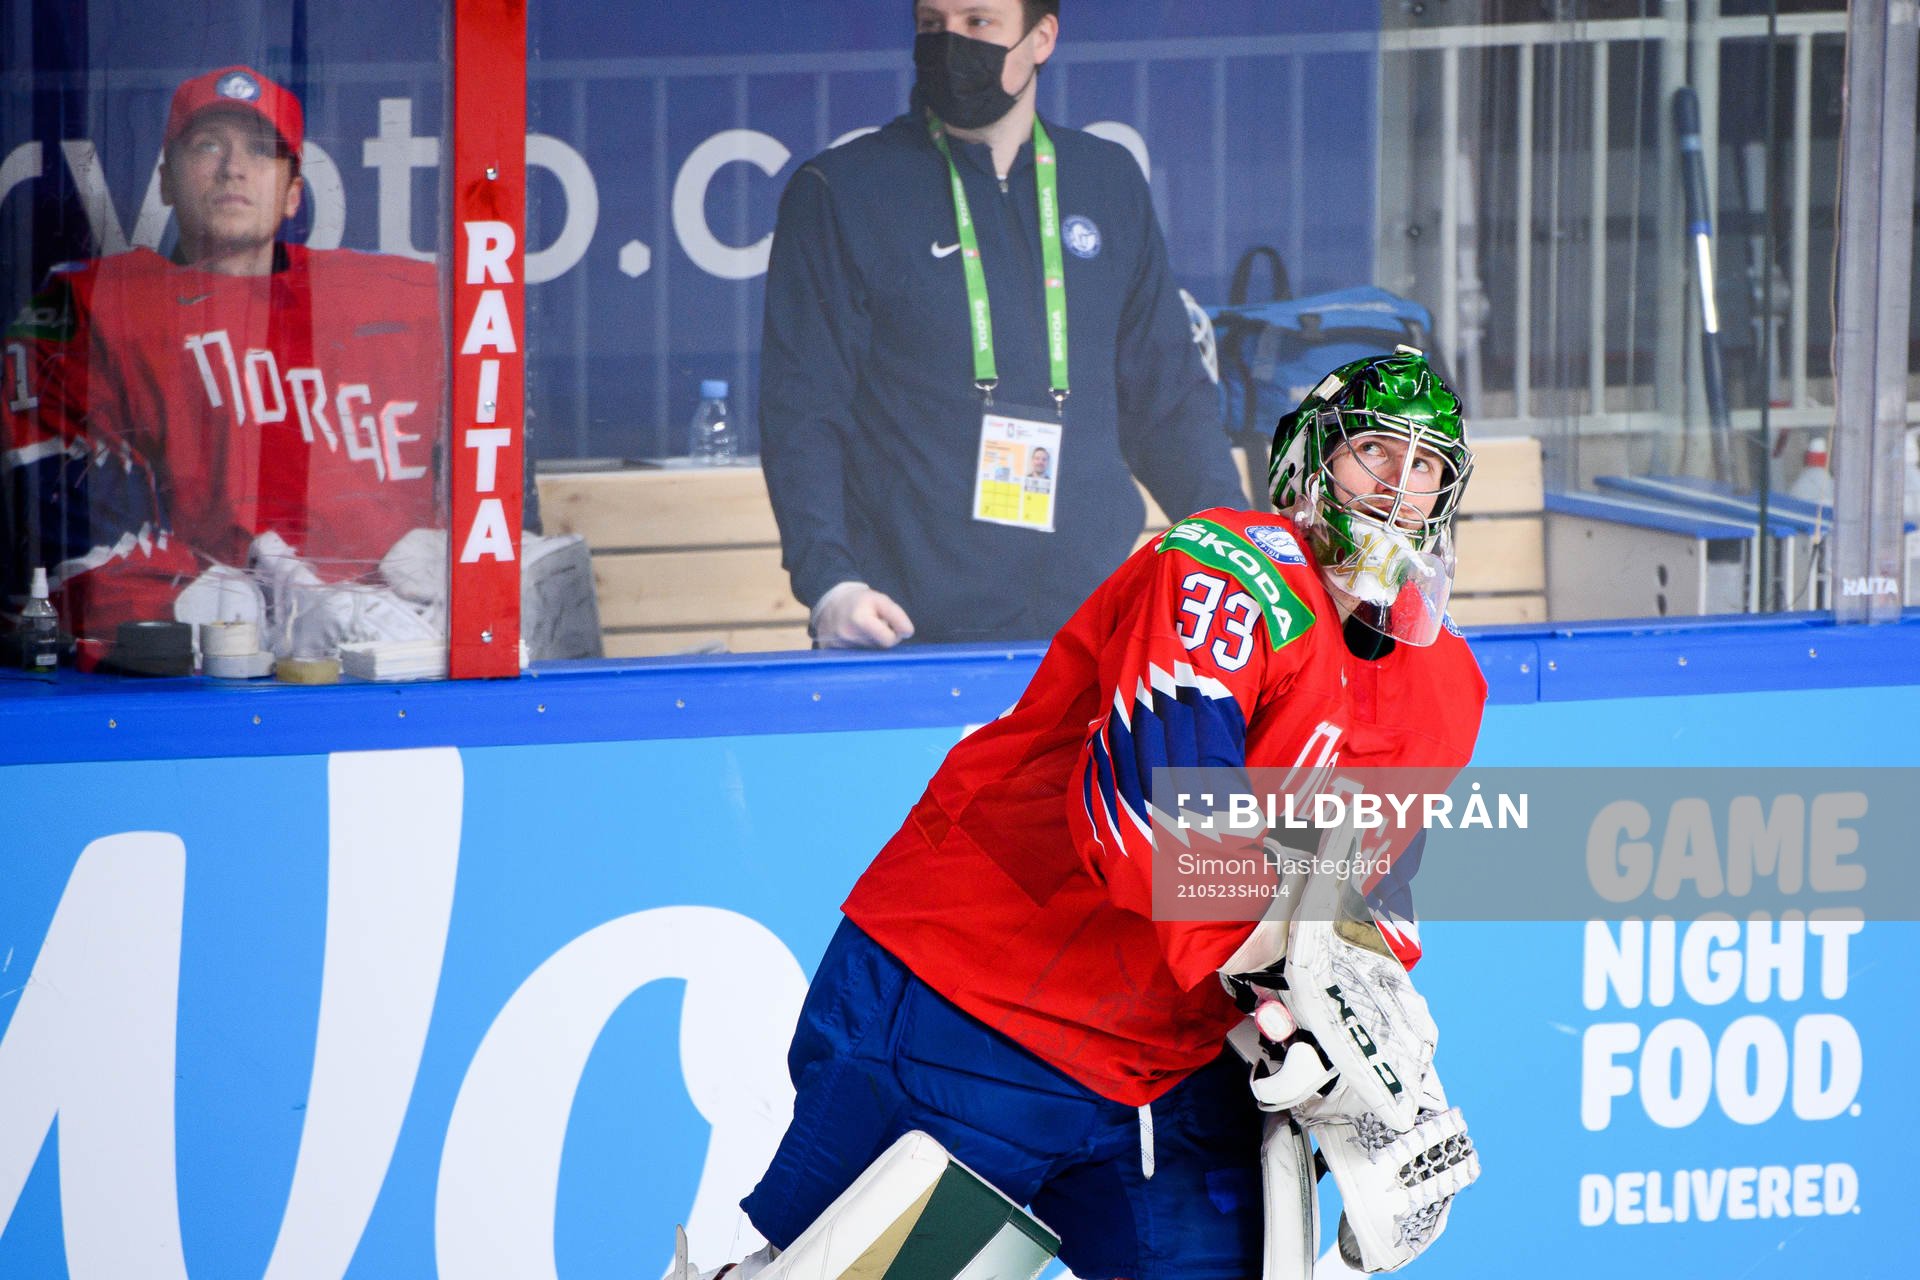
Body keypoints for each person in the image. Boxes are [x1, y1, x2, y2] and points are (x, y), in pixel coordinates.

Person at [680, 350, 1487, 1278]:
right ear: (1311, 460)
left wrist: (1378, 1060)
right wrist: (1297, 991)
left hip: (1170, 1070)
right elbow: (1156, 826)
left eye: (1426, 468)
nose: (1397, 487)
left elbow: (1362, 893)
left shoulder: (1446, 684)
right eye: (1375, 451)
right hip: (975, 1009)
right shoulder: (1225, 568)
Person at [760, 0, 1247, 650]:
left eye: (978, 22)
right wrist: (830, 584)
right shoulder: (842, 190)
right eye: (932, 26)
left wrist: (1241, 554)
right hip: (904, 629)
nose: (950, 44)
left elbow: (1167, 401)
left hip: (1088, 629)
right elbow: (803, 411)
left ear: (1041, 38)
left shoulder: (1106, 181)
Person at [1, 65, 443, 667]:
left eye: (259, 151)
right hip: (209, 664)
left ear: (293, 192)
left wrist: (461, 573)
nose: (233, 168)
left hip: (401, 650)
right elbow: (59, 533)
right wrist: (226, 619)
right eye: (208, 146)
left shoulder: (400, 299)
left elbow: (485, 469)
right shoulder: (97, 305)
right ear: (166, 180)